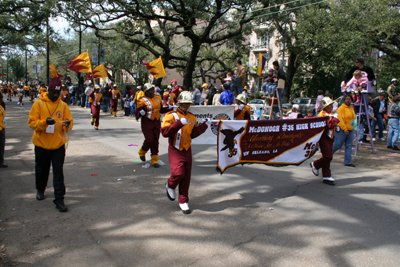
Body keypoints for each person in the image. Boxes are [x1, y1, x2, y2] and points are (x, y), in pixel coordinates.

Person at [28, 77, 73, 212]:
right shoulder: (39, 104)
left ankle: (59, 199)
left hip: (58, 145)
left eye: (57, 93)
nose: (55, 95)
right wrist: (44, 123)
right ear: (49, 90)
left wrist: (67, 123)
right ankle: (40, 189)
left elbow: (69, 121)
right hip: (42, 145)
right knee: (42, 169)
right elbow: (31, 122)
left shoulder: (63, 105)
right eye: (53, 92)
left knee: (58, 172)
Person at [162, 91, 210, 214]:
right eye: (183, 103)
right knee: (178, 173)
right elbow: (165, 133)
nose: (186, 106)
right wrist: (178, 124)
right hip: (175, 149)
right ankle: (170, 185)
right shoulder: (171, 115)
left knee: (186, 176)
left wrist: (204, 125)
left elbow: (192, 134)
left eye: (188, 103)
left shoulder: (192, 117)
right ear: (179, 103)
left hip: (187, 149)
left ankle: (183, 200)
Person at [135, 83, 172, 167]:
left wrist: (168, 108)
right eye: (150, 90)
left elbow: (161, 109)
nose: (152, 91)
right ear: (146, 92)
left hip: (156, 121)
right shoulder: (142, 100)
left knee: (155, 140)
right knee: (149, 140)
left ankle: (155, 159)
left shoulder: (158, 98)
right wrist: (140, 113)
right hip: (147, 122)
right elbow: (136, 111)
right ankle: (142, 151)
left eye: (152, 89)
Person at [310, 97, 340, 185]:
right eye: (328, 105)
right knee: (328, 157)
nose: (331, 106)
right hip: (323, 137)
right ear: (325, 106)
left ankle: (327, 176)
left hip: (330, 137)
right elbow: (329, 125)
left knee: (327, 156)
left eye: (331, 105)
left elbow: (333, 126)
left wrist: (337, 127)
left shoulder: (331, 113)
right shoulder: (322, 115)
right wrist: (336, 120)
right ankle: (315, 164)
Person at [332, 95, 356, 167]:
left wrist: (353, 127)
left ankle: (347, 161)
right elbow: (340, 120)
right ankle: (328, 154)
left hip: (351, 129)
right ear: (344, 100)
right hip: (342, 130)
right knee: (338, 144)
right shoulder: (340, 109)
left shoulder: (351, 108)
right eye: (347, 99)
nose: (348, 100)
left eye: (349, 99)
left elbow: (353, 118)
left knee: (349, 145)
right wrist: (345, 129)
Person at [0, 93, 7, 168]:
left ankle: (1, 162)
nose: (2, 98)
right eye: (1, 97)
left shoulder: (1, 106)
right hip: (0, 129)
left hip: (2, 127)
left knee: (1, 146)